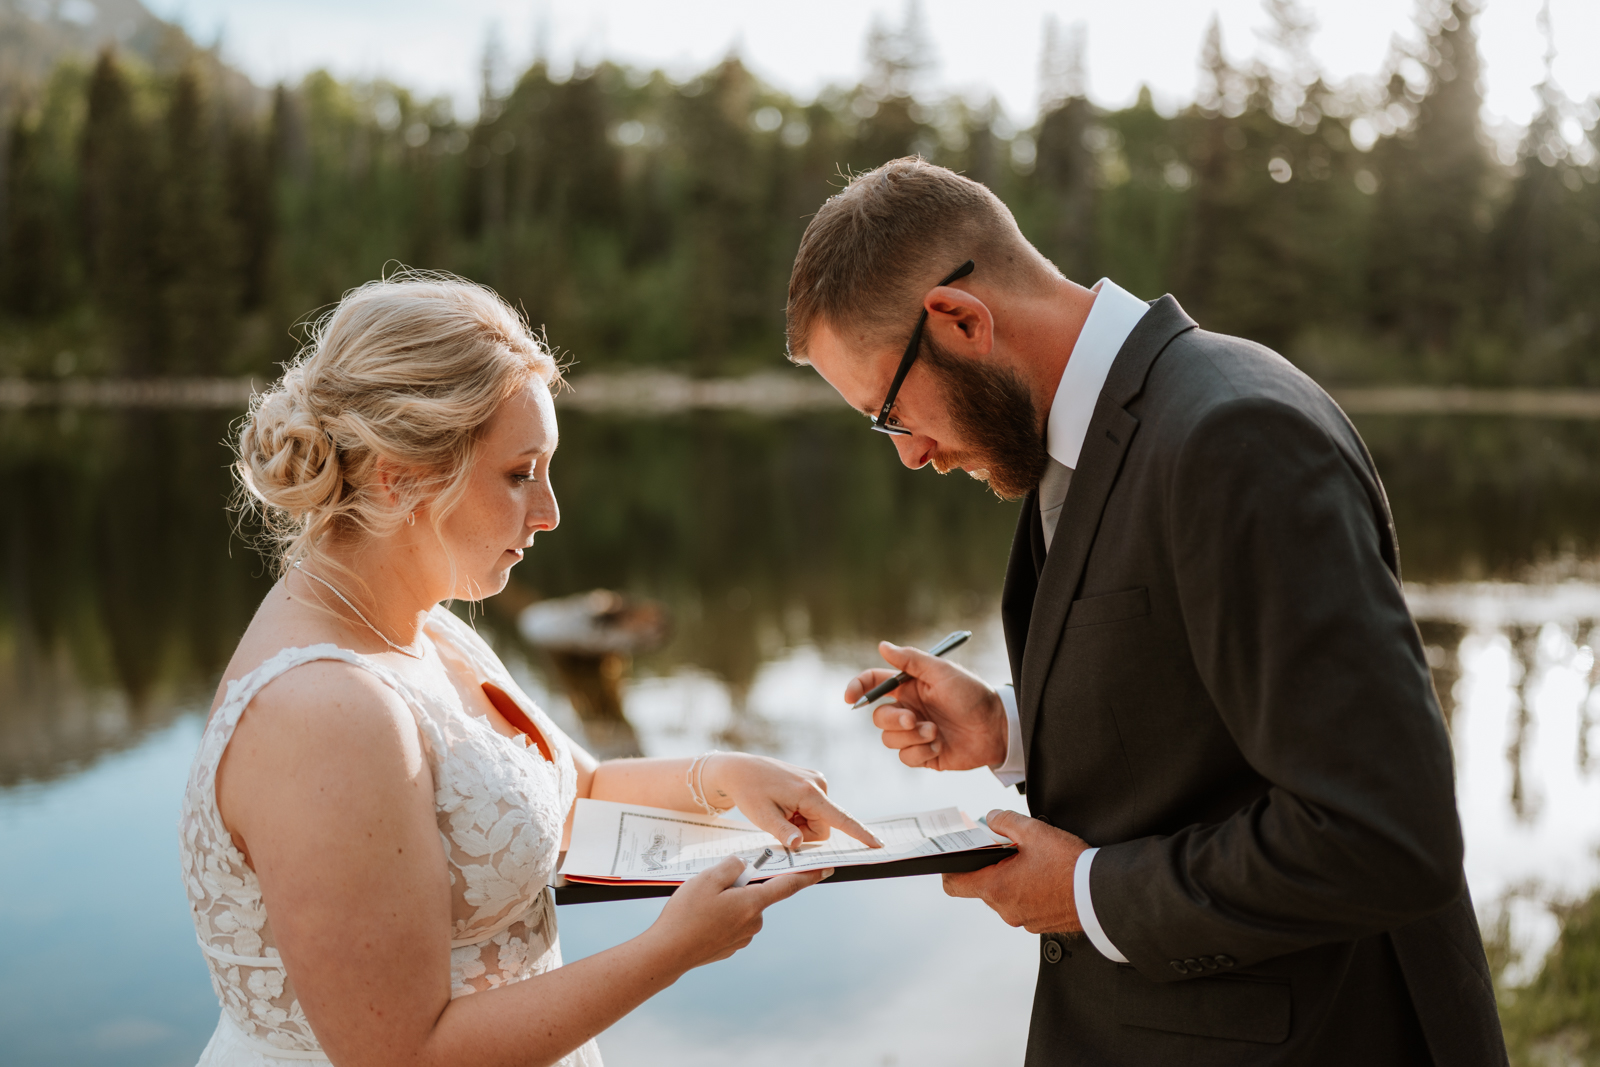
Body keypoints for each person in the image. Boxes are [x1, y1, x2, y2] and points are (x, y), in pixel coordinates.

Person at [786, 158, 1506, 1065]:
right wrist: (1010, 729)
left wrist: (1087, 893)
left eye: (890, 413)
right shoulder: (1086, 439)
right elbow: (1208, 724)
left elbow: (1384, 836)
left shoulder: (1234, 434)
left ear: (961, 321)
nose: (912, 454)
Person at [177, 272, 880, 1067]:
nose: (548, 511)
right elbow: (403, 1055)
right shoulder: (326, 712)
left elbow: (576, 790)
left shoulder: (426, 629)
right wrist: (671, 949)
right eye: (520, 473)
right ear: (399, 473)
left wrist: (726, 775)